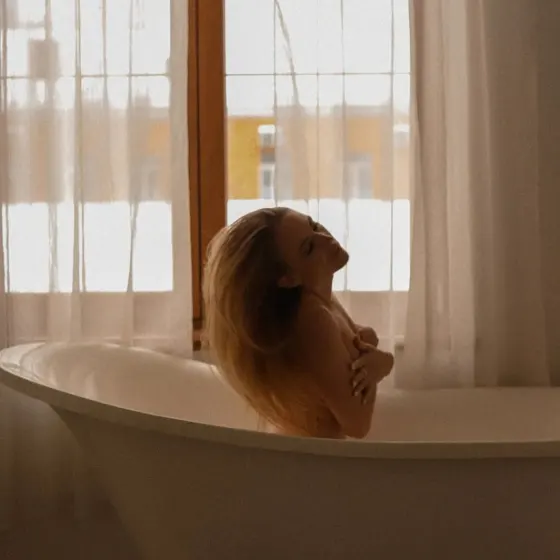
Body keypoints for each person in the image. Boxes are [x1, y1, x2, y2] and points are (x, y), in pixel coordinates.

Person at [203, 207, 394, 439]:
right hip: (310, 458)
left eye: (314, 225)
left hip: (307, 454)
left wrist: (375, 351)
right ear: (288, 278)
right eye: (309, 248)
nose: (325, 238)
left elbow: (353, 340)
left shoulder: (318, 297)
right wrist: (376, 370)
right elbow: (357, 425)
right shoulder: (313, 320)